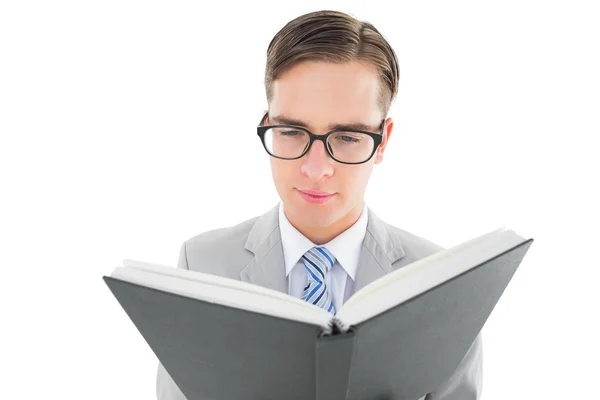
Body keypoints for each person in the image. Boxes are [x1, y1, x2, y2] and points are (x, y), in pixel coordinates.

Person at [156, 9, 482, 400]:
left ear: (383, 141)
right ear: (267, 124)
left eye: (346, 138)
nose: (316, 169)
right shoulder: (202, 265)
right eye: (292, 131)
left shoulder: (443, 282)